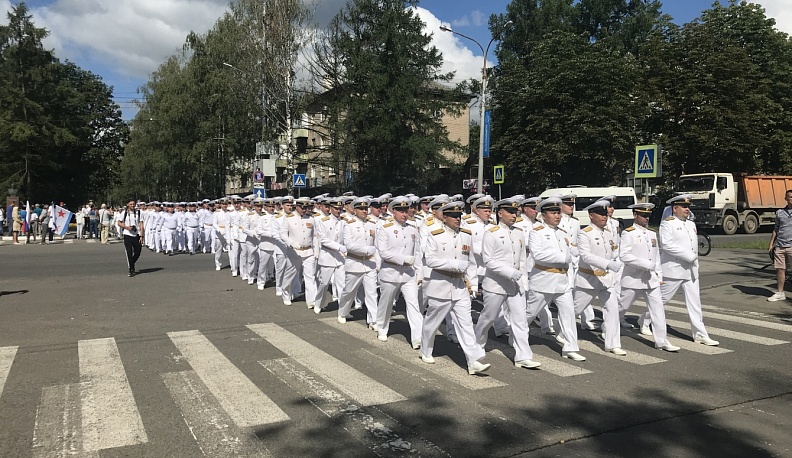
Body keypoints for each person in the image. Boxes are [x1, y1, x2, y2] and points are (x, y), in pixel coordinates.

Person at [420, 201, 491, 375]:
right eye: (453, 216)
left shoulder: (466, 234)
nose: (457, 219)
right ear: (444, 217)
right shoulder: (435, 235)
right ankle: (425, 349)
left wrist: (473, 284)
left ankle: (473, 361)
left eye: (459, 216)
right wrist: (454, 264)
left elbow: (472, 262)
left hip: (460, 287)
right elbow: (430, 260)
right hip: (440, 285)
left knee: (465, 324)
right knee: (432, 323)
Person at [640, 195, 719, 346]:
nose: (687, 209)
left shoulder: (690, 224)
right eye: (684, 207)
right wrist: (689, 256)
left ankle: (700, 334)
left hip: (691, 271)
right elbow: (666, 245)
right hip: (674, 269)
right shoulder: (667, 224)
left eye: (688, 206)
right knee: (663, 299)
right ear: (675, 209)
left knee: (695, 303)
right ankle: (645, 319)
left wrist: (694, 260)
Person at [475, 198, 542, 369]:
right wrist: (510, 272)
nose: (514, 215)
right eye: (510, 212)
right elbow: (488, 261)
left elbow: (522, 260)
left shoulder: (519, 232)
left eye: (516, 212)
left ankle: (523, 356)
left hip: (515, 285)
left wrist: (524, 281)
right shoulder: (491, 232)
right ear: (500, 213)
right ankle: (476, 345)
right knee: (488, 317)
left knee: (520, 321)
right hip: (496, 284)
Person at [619, 203, 680, 352]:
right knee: (621, 307)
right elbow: (624, 256)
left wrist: (659, 274)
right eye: (643, 215)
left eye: (648, 216)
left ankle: (662, 341)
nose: (646, 218)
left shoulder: (652, 234)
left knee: (658, 310)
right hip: (633, 279)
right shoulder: (628, 233)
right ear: (635, 215)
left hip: (651, 280)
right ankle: (608, 325)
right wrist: (646, 264)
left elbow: (656, 258)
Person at [767, 189, 792, 301]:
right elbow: (776, 229)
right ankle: (780, 293)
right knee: (780, 269)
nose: (791, 199)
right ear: (786, 198)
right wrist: (771, 243)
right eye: (789, 197)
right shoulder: (780, 212)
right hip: (780, 245)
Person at [118, 199, 145, 277]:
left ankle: (131, 263)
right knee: (129, 252)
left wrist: (141, 235)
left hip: (136, 234)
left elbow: (141, 224)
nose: (132, 206)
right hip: (127, 234)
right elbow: (119, 223)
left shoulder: (139, 213)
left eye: (133, 204)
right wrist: (126, 227)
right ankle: (131, 269)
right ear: (127, 205)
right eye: (131, 204)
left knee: (138, 251)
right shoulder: (124, 213)